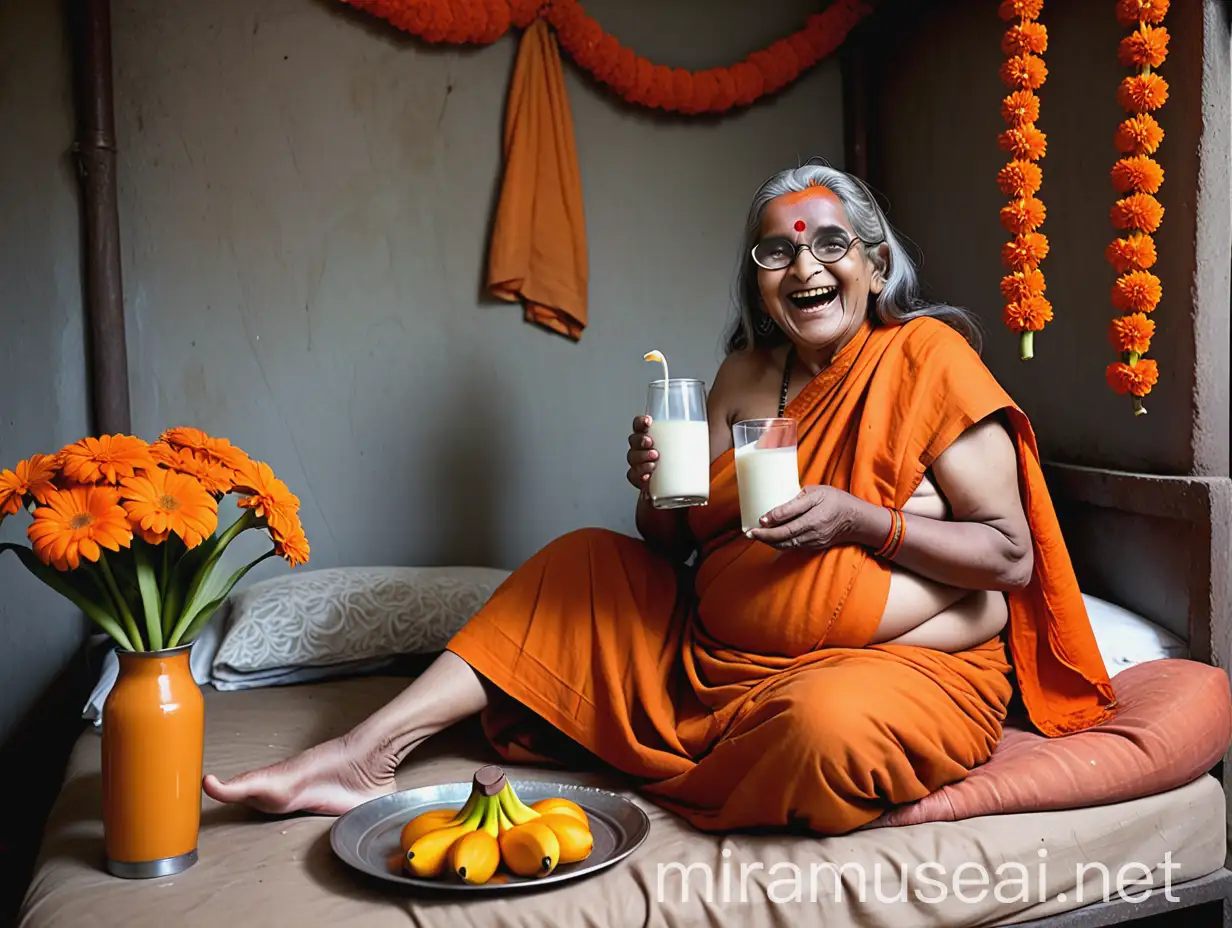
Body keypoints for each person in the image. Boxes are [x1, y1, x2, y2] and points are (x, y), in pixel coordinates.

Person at [204, 163, 1115, 834]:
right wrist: (654, 488)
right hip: (711, 651)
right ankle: (362, 753)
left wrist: (860, 518)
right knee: (580, 563)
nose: (805, 265)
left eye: (829, 242)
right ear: (757, 280)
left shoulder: (928, 360)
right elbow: (678, 539)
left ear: (875, 267)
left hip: (875, 670)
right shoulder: (740, 374)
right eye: (778, 249)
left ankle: (706, 754)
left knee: (822, 733)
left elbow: (1009, 557)